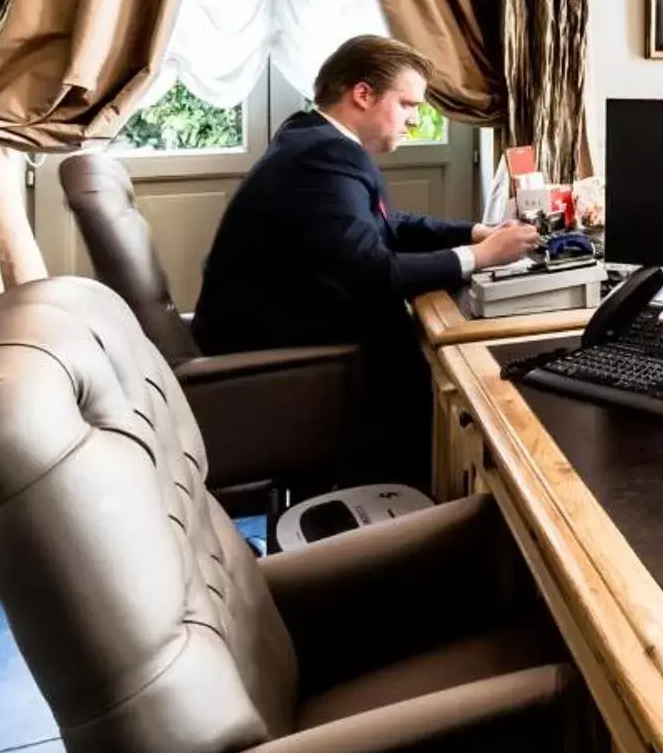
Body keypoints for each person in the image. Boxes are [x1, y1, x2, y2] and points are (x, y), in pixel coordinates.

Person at [193, 34, 537, 481]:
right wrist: (481, 255)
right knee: (455, 376)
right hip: (285, 357)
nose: (415, 120)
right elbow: (373, 275)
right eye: (408, 104)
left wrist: (475, 233)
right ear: (362, 94)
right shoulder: (324, 155)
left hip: (274, 328)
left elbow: (387, 224)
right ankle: (426, 513)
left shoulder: (309, 136)